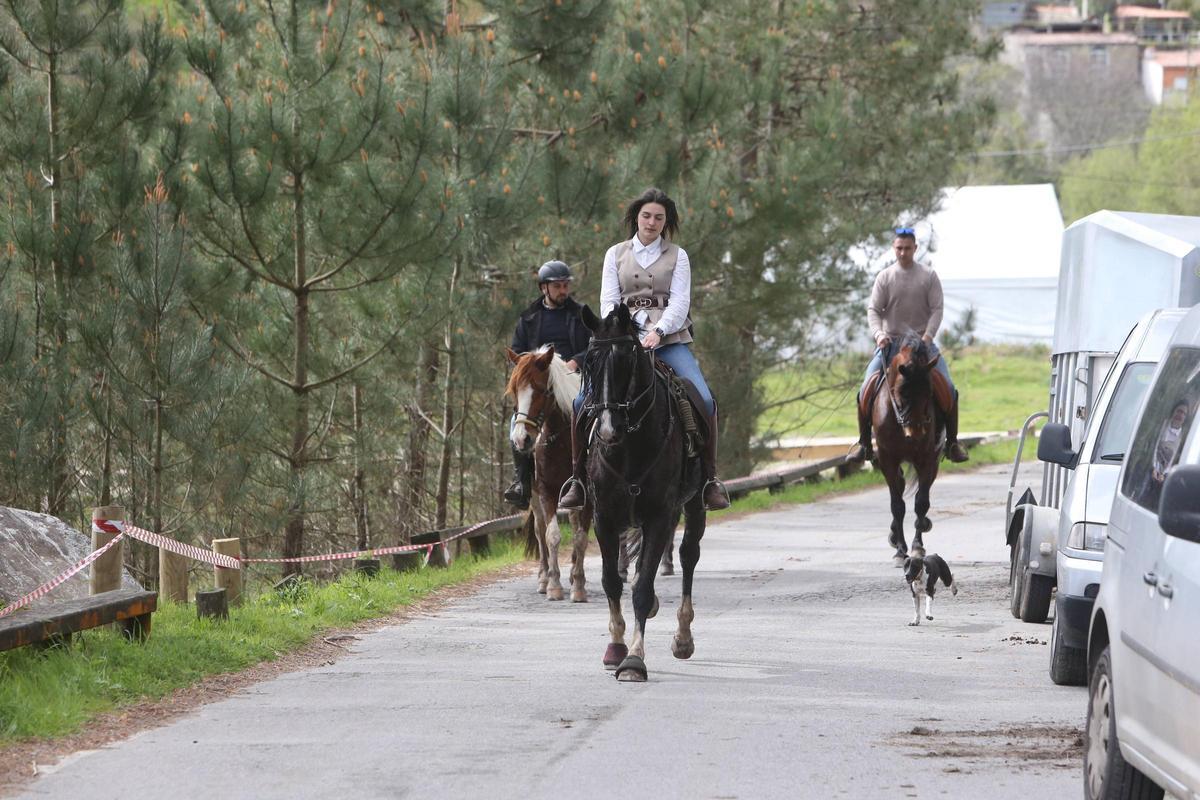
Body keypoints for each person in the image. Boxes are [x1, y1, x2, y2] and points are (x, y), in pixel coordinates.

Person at [558, 187, 730, 511]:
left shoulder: (679, 256)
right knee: (582, 400)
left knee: (705, 399)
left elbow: (680, 301)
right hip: (622, 341)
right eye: (647, 215)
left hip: (668, 341)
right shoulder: (615, 254)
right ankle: (578, 478)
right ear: (636, 217)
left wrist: (658, 331)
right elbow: (609, 300)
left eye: (659, 218)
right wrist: (626, 332)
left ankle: (709, 479)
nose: (652, 222)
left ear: (666, 222)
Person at [847, 227, 969, 464]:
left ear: (915, 248)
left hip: (923, 345)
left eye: (907, 248)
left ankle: (952, 443)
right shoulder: (884, 277)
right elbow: (874, 310)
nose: (903, 253)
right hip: (890, 343)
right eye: (899, 248)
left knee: (950, 389)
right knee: (865, 389)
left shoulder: (928, 276)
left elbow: (937, 310)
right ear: (894, 248)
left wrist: (928, 336)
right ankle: (864, 444)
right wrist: (878, 334)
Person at [503, 260, 594, 509]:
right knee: (517, 421)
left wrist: (576, 361)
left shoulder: (580, 314)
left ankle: (595, 475)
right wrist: (532, 364)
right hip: (541, 380)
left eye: (565, 285)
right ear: (544, 288)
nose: (563, 290)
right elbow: (519, 352)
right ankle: (521, 482)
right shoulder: (529, 318)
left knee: (594, 413)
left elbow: (594, 344)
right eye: (557, 286)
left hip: (572, 377)